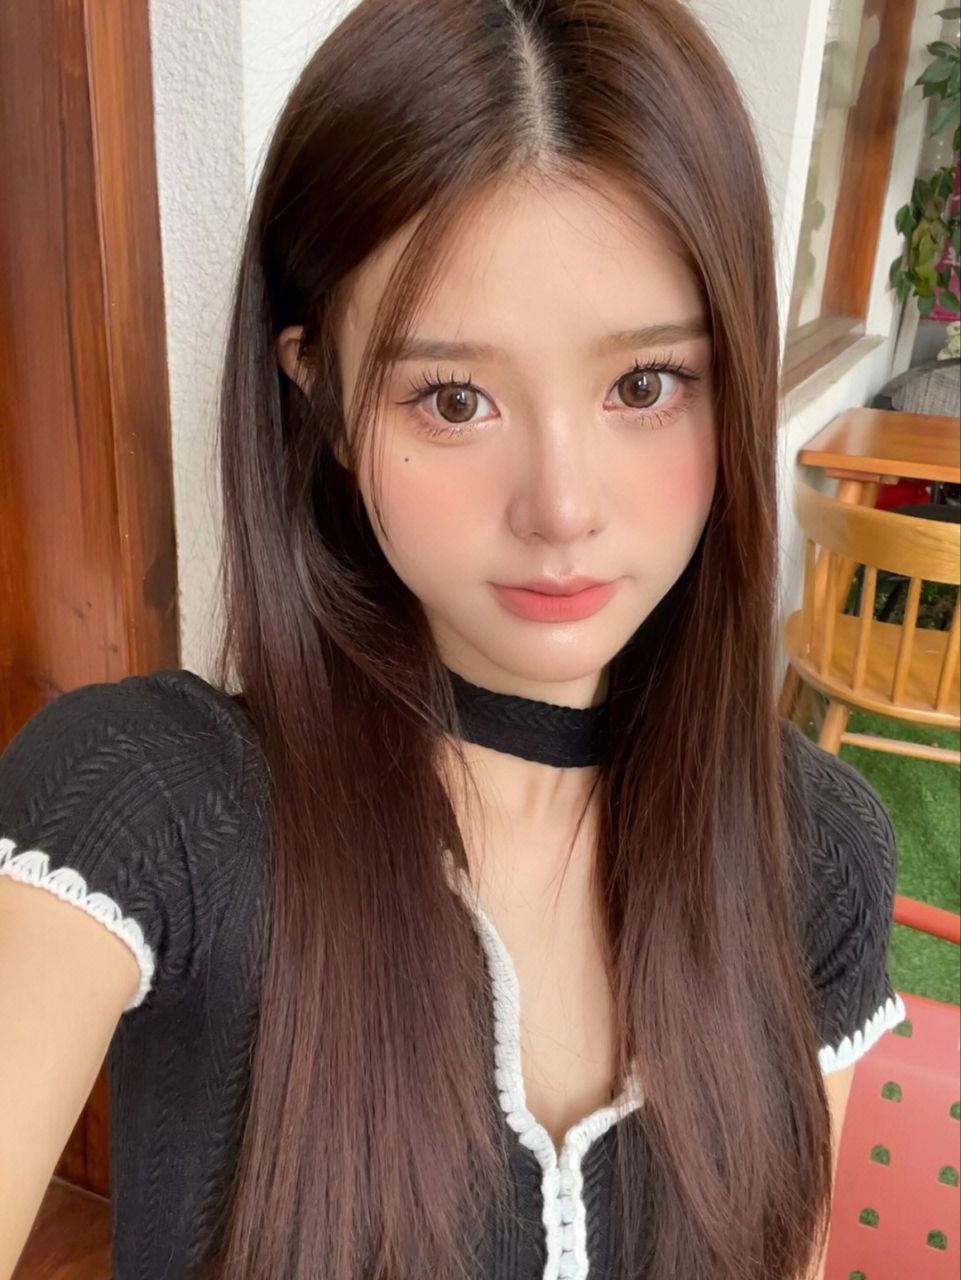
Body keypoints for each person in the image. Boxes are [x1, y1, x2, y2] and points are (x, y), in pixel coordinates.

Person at [0, 2, 906, 1278]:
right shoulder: (150, 805)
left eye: (645, 384)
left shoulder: (811, 851)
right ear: (319, 393)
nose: (562, 508)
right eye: (454, 397)